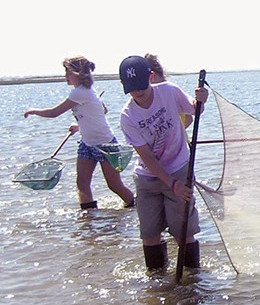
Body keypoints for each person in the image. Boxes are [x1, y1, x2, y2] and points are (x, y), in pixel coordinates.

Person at [118, 55, 208, 271]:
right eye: (132, 88)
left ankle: (192, 280)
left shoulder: (169, 91)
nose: (138, 92)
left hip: (179, 169)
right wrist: (171, 184)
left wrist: (201, 100)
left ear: (151, 77)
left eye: (141, 85)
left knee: (183, 231)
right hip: (149, 177)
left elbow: (193, 111)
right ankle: (157, 278)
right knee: (149, 233)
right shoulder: (127, 116)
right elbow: (147, 157)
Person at [24, 56, 135, 209]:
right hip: (87, 144)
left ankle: (134, 206)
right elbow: (102, 110)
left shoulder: (80, 93)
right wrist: (80, 126)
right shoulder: (86, 91)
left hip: (105, 145)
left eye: (67, 72)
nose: (65, 76)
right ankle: (89, 217)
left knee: (114, 185)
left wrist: (33, 110)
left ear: (77, 73)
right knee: (82, 183)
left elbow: (54, 112)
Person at [144, 53, 193, 128]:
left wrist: (175, 132)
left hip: (179, 138)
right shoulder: (146, 96)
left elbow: (189, 118)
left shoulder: (172, 91)